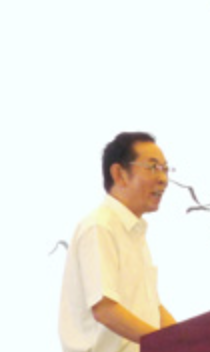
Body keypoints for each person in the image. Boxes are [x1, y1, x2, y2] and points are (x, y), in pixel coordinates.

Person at [60, 132, 178, 352]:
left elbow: (153, 309)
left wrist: (191, 341)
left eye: (165, 169)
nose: (163, 179)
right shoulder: (99, 226)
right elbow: (105, 309)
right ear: (119, 174)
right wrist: (165, 344)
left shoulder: (134, 232)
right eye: (153, 167)